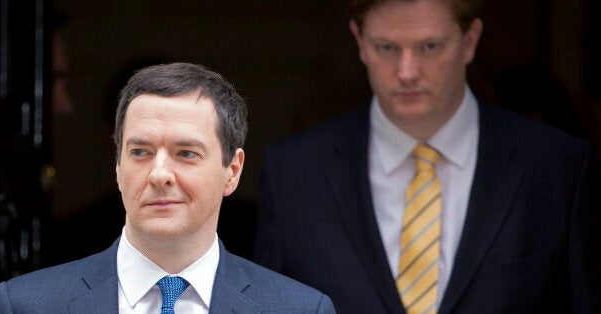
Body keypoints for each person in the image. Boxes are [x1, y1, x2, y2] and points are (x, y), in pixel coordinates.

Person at [254, 0, 599, 313]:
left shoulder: (557, 167)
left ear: (470, 41)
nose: (407, 71)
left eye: (430, 47)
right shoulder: (293, 174)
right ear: (359, 41)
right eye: (386, 47)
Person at [0, 63, 335, 313]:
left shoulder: (300, 308)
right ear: (117, 166)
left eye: (186, 153)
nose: (159, 174)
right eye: (140, 152)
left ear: (232, 171)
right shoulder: (27, 305)